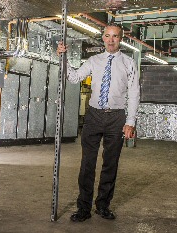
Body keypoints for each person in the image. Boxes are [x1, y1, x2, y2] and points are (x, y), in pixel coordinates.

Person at [57, 23, 140, 222]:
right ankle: (83, 208)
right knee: (87, 164)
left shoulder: (129, 63)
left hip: (116, 117)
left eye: (115, 36)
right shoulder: (94, 60)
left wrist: (130, 121)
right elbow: (75, 77)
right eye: (108, 36)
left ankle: (103, 206)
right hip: (94, 116)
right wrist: (64, 58)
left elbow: (134, 92)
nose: (111, 40)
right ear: (102, 38)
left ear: (121, 39)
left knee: (110, 165)